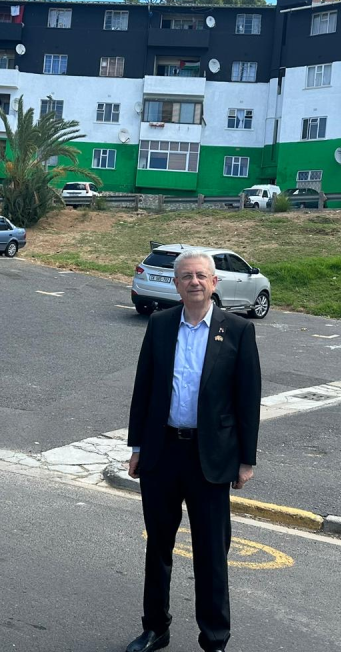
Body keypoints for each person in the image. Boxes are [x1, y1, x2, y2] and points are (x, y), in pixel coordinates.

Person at [126, 249, 261, 652]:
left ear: (214, 282)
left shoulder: (236, 330)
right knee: (158, 546)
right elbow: (144, 388)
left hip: (211, 457)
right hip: (162, 452)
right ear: (176, 284)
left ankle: (214, 638)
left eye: (201, 275)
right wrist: (137, 446)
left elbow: (247, 398)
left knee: (211, 552)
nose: (194, 282)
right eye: (186, 276)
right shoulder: (161, 324)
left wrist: (246, 459)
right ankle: (155, 628)